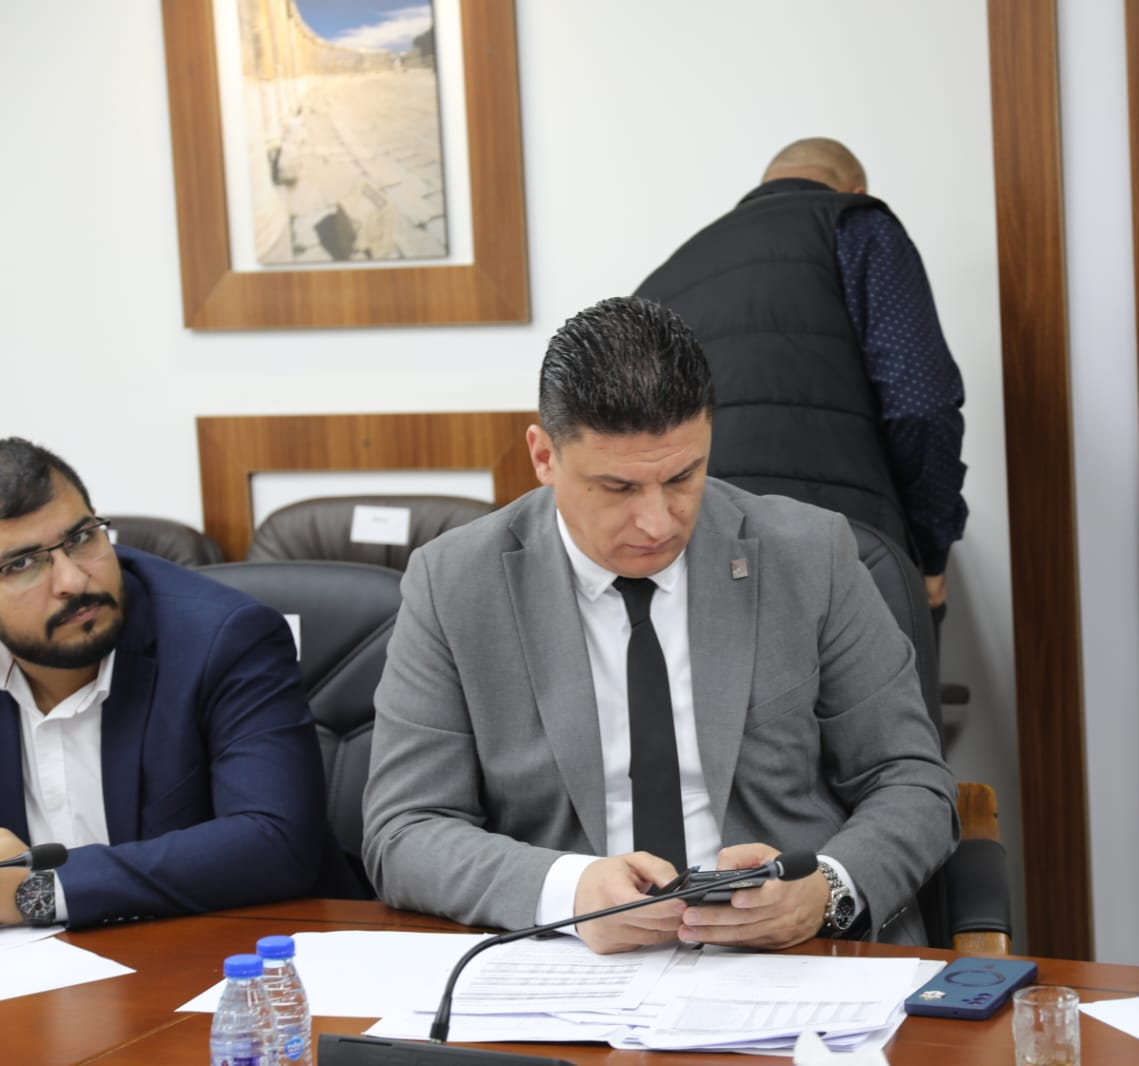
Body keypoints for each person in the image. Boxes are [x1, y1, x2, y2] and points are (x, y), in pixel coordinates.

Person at [362, 296, 959, 953]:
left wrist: (826, 891)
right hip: (570, 962)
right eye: (618, 488)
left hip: (790, 956)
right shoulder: (454, 583)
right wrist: (568, 892)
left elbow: (912, 782)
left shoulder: (810, 555)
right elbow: (406, 830)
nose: (657, 522)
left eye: (682, 477)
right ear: (544, 456)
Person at [0, 439, 351, 927]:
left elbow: (275, 841)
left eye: (81, 538)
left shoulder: (227, 638)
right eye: (21, 564)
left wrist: (40, 892)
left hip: (236, 949)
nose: (73, 581)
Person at [634, 137, 967, 621]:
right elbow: (921, 403)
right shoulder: (855, 224)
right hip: (848, 557)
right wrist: (932, 551)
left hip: (695, 572)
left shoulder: (664, 279)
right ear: (853, 190)